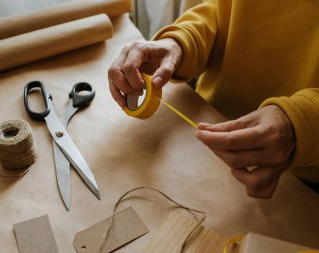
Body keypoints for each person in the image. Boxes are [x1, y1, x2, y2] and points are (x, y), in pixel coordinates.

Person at [107, 0, 319, 199]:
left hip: (302, 177)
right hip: (208, 119)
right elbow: (224, 10)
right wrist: (181, 41)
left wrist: (303, 124)